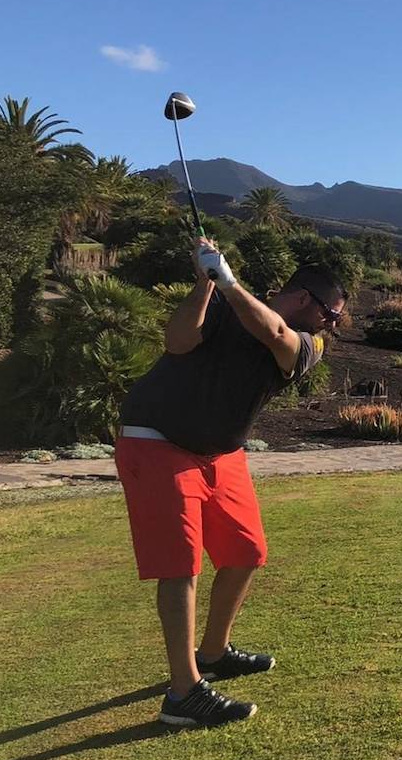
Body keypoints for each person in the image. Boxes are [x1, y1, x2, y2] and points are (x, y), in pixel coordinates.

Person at [115, 237, 347, 728]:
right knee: (180, 567)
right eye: (332, 314)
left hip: (221, 451)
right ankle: (183, 693)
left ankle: (215, 651)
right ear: (305, 297)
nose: (333, 326)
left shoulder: (309, 343)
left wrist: (228, 281)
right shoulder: (218, 300)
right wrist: (204, 285)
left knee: (246, 552)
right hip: (156, 439)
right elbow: (177, 341)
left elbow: (278, 335)